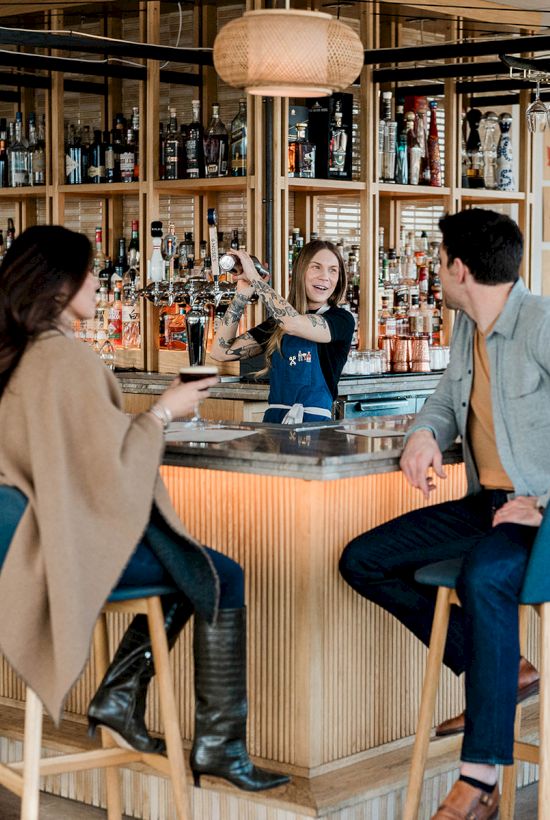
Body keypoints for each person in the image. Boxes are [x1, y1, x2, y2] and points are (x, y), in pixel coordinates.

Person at [0, 225, 289, 793]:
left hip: (18, 546)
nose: (97, 282)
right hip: (59, 548)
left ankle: (122, 698)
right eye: (88, 272)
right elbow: (110, 475)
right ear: (59, 286)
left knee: (185, 561)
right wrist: (164, 411)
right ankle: (217, 747)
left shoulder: (17, 354)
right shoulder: (67, 361)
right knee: (210, 570)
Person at [339, 208, 550, 820]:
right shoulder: (467, 330)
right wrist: (424, 436)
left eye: (439, 260)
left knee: (481, 576)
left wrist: (542, 502)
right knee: (363, 560)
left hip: (537, 522)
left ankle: (478, 778)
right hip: (485, 507)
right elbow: (442, 397)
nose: (436, 271)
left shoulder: (538, 323)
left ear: (460, 268)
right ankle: (499, 668)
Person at [211, 240, 354, 423]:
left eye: (333, 270)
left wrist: (255, 277)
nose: (325, 276)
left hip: (315, 428)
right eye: (316, 267)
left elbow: (293, 324)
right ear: (301, 272)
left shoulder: (341, 320)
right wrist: (242, 296)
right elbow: (220, 352)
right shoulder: (277, 325)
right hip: (274, 425)